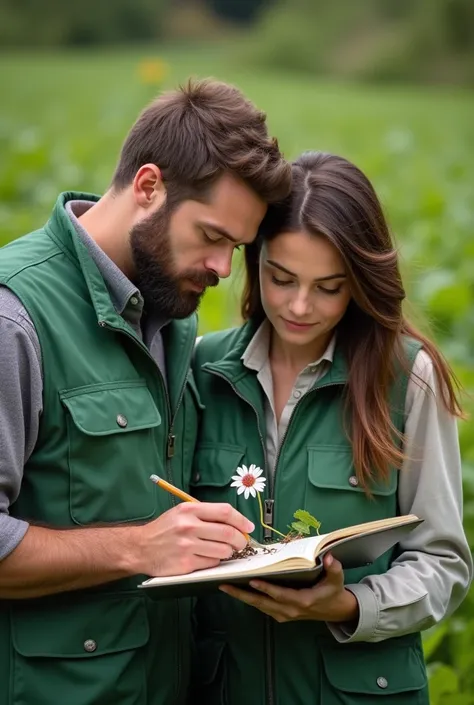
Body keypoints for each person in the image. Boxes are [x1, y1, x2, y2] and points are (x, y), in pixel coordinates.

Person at [0, 78, 291, 705]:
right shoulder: (13, 320)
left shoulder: (170, 312)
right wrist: (141, 546)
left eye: (236, 248)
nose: (223, 268)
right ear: (149, 186)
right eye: (213, 237)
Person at [191, 151, 473, 705]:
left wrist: (349, 606)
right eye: (282, 278)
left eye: (329, 287)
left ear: (362, 282)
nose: (300, 305)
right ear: (255, 261)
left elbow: (443, 564)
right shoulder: (202, 369)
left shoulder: (407, 379)